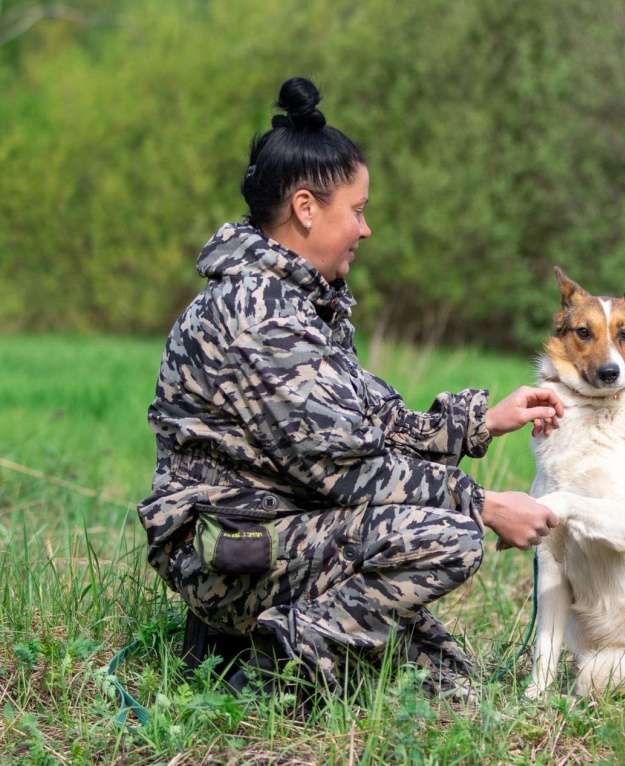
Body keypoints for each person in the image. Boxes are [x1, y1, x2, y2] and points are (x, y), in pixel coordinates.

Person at [137, 76, 563, 699]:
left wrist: (483, 421)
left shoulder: (302, 302)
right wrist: (485, 505)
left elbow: (370, 419)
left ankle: (254, 639)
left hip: (283, 529)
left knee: (448, 682)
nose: (365, 230)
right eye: (357, 211)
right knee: (449, 538)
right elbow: (351, 470)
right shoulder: (261, 317)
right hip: (232, 553)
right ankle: (271, 662)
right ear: (306, 208)